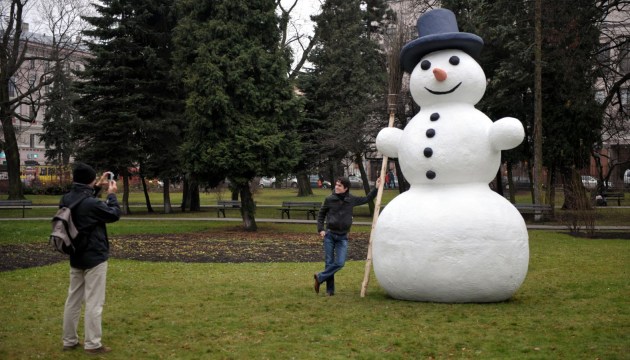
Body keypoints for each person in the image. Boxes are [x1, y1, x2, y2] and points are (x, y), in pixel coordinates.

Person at [61, 163, 121, 355]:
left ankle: (69, 340)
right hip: (94, 256)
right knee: (94, 302)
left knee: (73, 299)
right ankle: (93, 344)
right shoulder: (92, 204)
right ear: (89, 180)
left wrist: (95, 187)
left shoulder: (66, 199)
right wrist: (111, 195)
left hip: (75, 253)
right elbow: (113, 214)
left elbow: (83, 202)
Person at [314, 176, 379, 296]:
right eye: (336, 184)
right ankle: (330, 291)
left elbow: (367, 198)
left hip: (343, 237)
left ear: (346, 188)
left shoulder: (351, 199)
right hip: (330, 235)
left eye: (339, 185)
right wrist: (320, 229)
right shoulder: (329, 199)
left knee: (340, 263)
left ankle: (319, 277)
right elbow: (321, 214)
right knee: (329, 263)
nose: (336, 187)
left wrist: (376, 187)